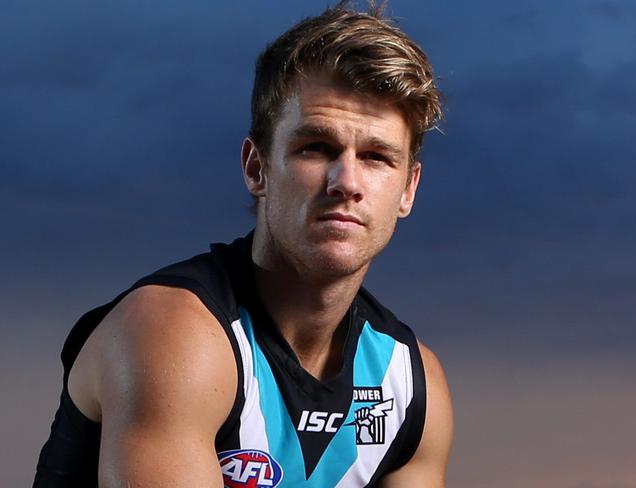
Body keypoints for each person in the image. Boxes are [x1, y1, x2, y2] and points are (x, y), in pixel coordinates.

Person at [33, 1, 453, 486]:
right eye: (316, 147)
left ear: (408, 189)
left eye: (377, 156)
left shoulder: (409, 383)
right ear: (257, 168)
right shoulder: (173, 335)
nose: (346, 181)